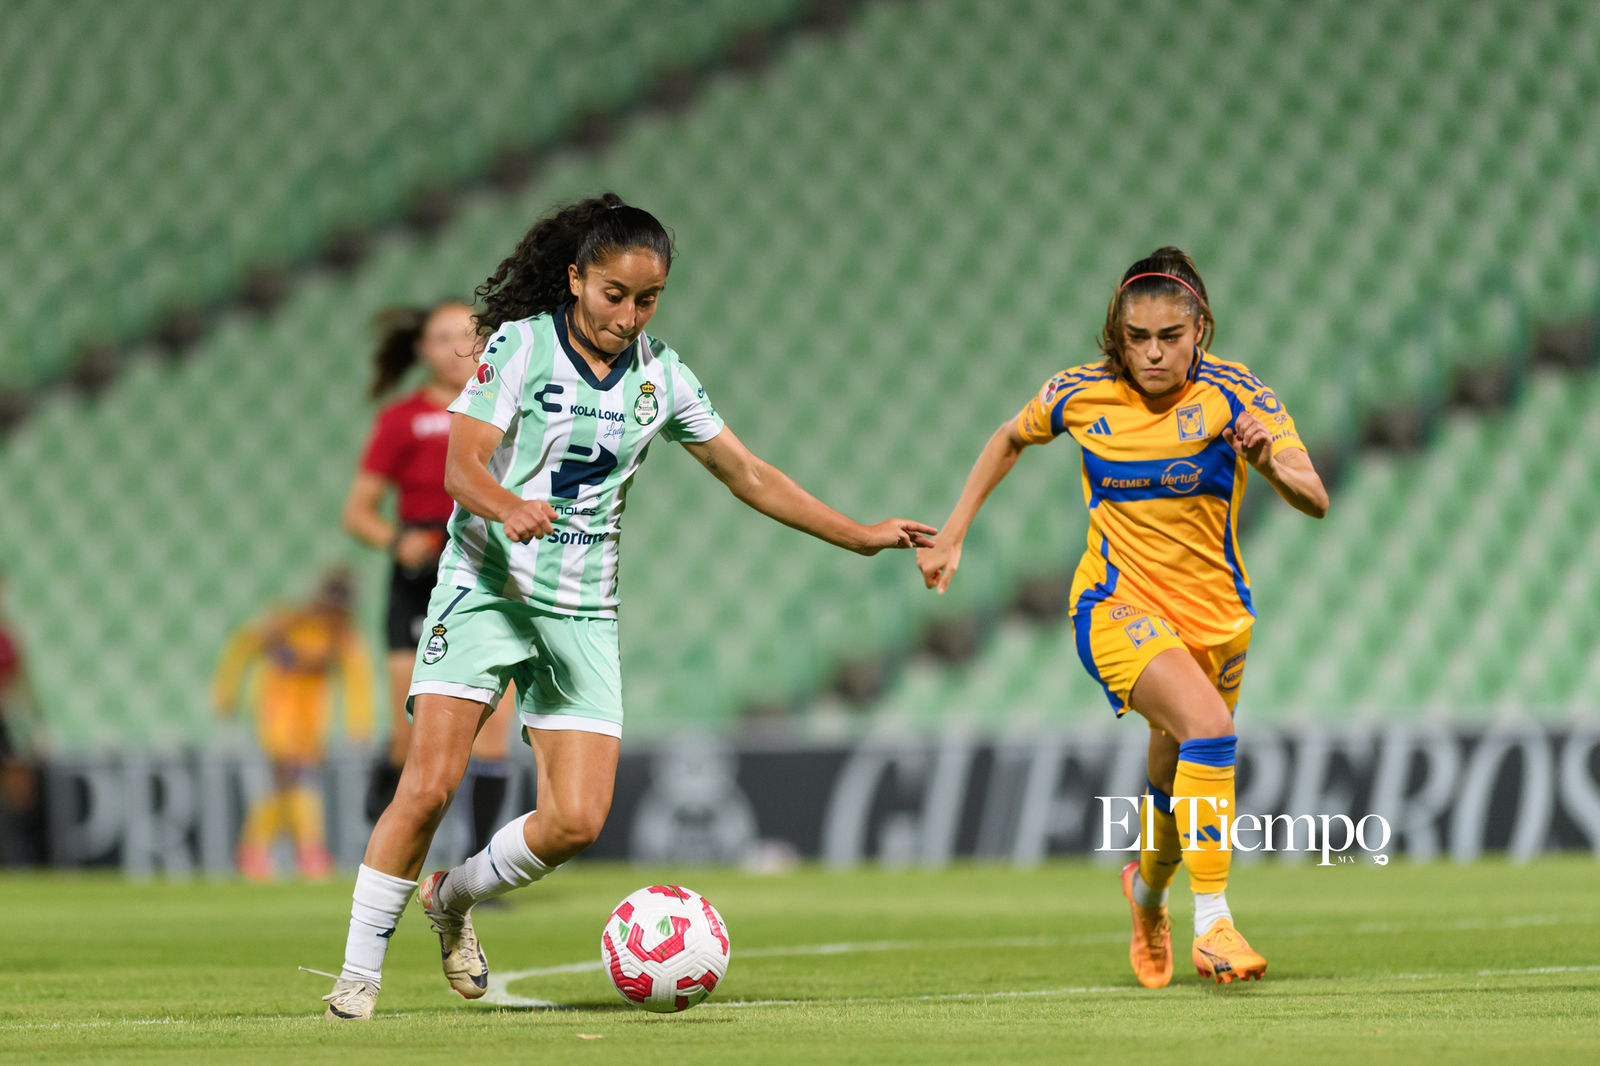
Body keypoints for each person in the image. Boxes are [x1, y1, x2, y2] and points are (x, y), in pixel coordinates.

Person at [321, 192, 936, 1020]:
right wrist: (508, 507)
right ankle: (357, 977)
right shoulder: (520, 347)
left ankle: (452, 897)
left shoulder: (662, 375)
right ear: (576, 280)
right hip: (485, 591)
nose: (630, 314)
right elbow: (461, 468)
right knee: (428, 785)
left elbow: (747, 473)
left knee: (576, 819)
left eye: (649, 299)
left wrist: (860, 535)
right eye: (615, 294)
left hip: (581, 611)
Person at [916, 248, 1328, 988]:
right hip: (1114, 606)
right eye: (1137, 337)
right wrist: (955, 530)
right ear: (1119, 332)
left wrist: (1267, 460)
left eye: (1170, 335)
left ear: (1199, 328)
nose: (1153, 352)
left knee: (1176, 765)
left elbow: (1314, 494)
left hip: (1215, 621)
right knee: (1210, 729)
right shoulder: (1082, 394)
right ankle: (1216, 926)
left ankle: (1146, 895)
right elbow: (1009, 436)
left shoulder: (1238, 395)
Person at [341, 302, 520, 858]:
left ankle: (482, 870)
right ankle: (382, 828)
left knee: (492, 729)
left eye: (469, 335)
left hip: (490, 563)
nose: (458, 347)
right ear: (423, 349)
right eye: (443, 338)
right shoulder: (402, 419)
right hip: (420, 570)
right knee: (408, 731)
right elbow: (359, 512)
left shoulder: (512, 407)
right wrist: (398, 540)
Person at [213, 571, 375, 879]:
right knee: (289, 771)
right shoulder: (289, 619)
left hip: (312, 715)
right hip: (277, 707)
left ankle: (259, 851)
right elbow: (244, 646)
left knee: (295, 778)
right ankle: (303, 850)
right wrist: (226, 691)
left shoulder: (342, 634)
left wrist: (359, 723)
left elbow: (358, 679)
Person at [0, 571, 45, 866]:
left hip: (3, 718)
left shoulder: (9, 636)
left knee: (20, 788)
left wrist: (37, 723)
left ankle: (19, 856)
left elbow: (23, 684)